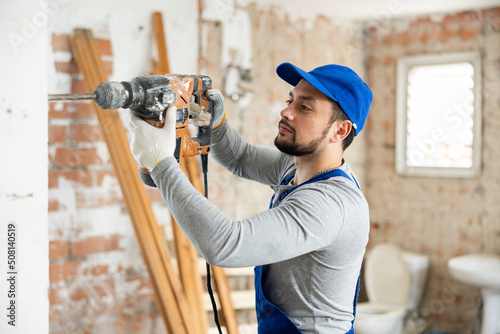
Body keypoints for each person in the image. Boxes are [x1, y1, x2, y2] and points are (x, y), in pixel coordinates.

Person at [127, 62, 373, 334]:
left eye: (304, 107)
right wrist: (216, 123)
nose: (286, 111)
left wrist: (161, 162)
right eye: (290, 100)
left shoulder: (329, 205)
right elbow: (240, 158)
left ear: (340, 131)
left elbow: (226, 244)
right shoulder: (297, 165)